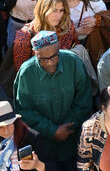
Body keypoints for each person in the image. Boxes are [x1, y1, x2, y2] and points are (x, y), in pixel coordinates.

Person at [14, 30, 92, 169]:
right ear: (35, 53)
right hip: (43, 149)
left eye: (54, 57)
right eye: (43, 59)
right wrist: (52, 130)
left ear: (59, 48)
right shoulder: (26, 74)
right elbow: (24, 110)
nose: (50, 63)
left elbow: (84, 100)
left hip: (74, 143)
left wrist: (68, 126)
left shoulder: (74, 62)